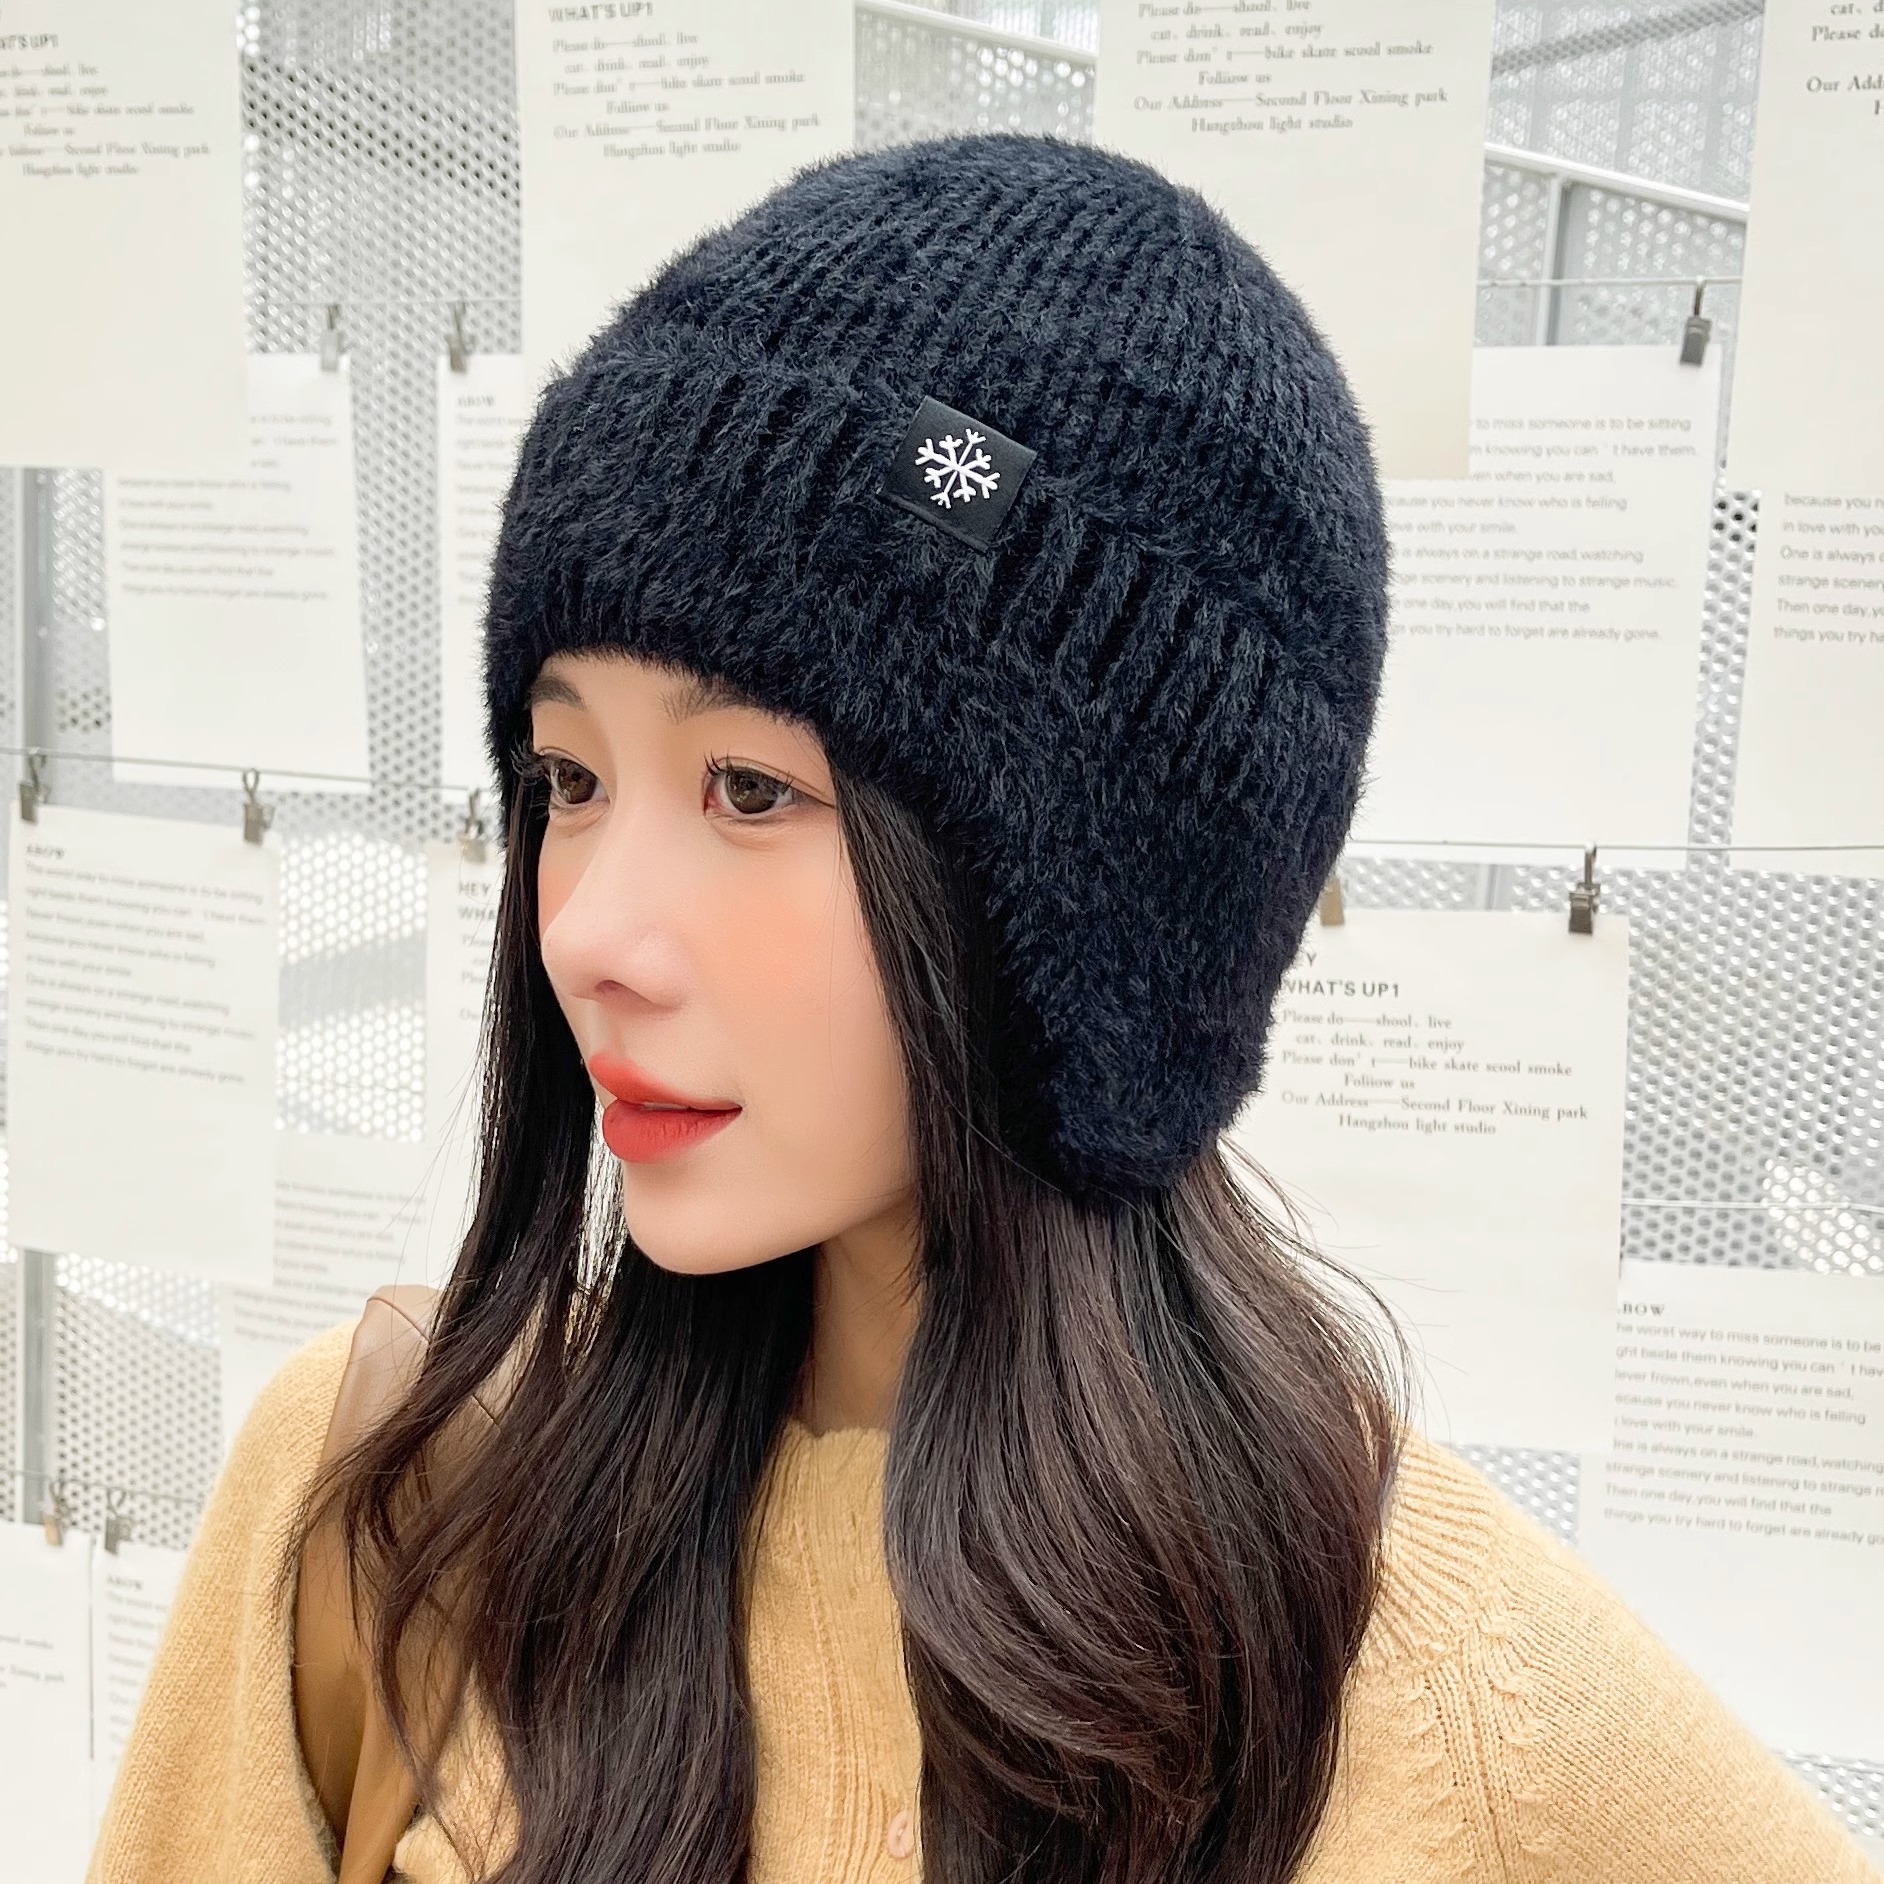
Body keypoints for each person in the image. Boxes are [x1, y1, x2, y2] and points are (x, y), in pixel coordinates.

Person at [87, 132, 1876, 1884]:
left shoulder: (1441, 1675)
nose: (589, 935)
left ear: (1094, 907)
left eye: (750, 791)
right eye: (568, 778)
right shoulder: (406, 1505)